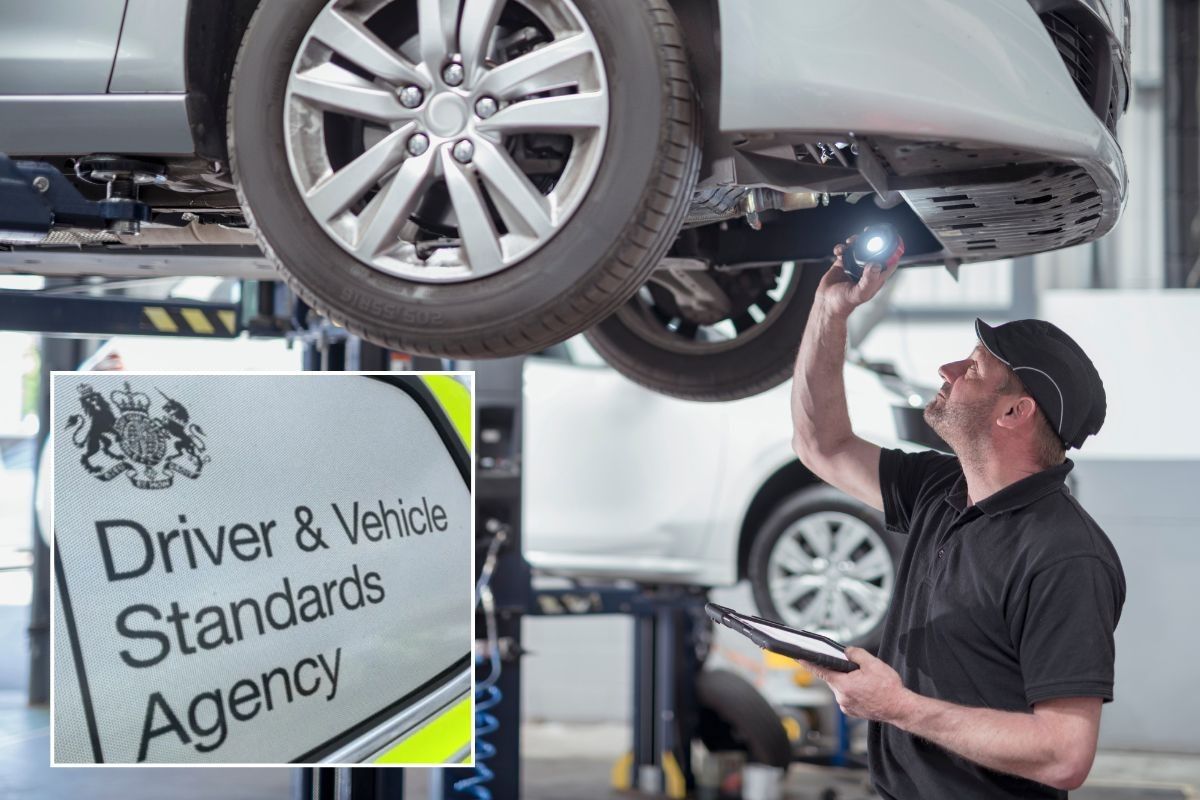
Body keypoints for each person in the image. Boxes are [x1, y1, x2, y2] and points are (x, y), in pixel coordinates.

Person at [789, 235, 1125, 798]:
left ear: (1016, 412)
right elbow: (821, 443)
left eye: (972, 367)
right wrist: (830, 312)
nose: (947, 369)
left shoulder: (1065, 555)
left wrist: (898, 707)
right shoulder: (940, 488)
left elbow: (1065, 754)